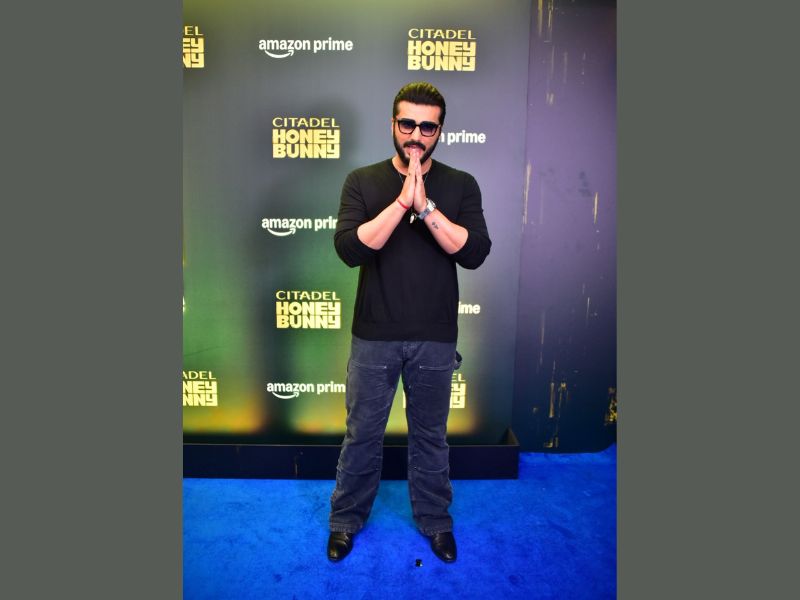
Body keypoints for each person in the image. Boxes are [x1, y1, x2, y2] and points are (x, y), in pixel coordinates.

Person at [327, 81, 491, 563]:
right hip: (374, 335)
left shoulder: (461, 184)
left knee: (431, 438)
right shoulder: (362, 181)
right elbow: (350, 249)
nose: (416, 135)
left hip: (434, 336)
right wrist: (402, 203)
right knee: (362, 435)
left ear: (440, 130)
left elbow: (474, 253)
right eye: (407, 124)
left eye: (427, 127)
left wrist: (426, 207)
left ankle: (436, 522)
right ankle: (345, 521)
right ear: (393, 124)